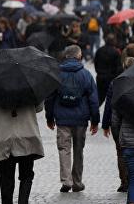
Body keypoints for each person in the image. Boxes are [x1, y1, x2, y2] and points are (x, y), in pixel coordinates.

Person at [44, 45, 100, 192]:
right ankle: (77, 181)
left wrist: (49, 117)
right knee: (78, 151)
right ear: (78, 56)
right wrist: (95, 121)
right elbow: (94, 100)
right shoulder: (86, 75)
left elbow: (49, 98)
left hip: (62, 119)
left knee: (64, 149)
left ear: (66, 56)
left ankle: (66, 180)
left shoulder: (56, 73)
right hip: (81, 119)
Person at [0, 99, 44, 204]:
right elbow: (39, 108)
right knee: (26, 176)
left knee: (6, 180)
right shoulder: (30, 84)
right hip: (27, 134)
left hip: (4, 136)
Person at [101, 56, 134, 193]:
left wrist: (105, 124)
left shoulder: (115, 83)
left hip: (117, 123)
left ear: (124, 66)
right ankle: (133, 179)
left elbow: (108, 106)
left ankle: (124, 181)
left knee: (121, 153)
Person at [93, 34, 122, 106]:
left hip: (100, 77)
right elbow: (118, 68)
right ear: (113, 42)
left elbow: (95, 63)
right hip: (111, 79)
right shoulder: (116, 52)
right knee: (112, 101)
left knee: (99, 99)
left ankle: (93, 114)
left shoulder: (99, 50)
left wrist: (99, 72)